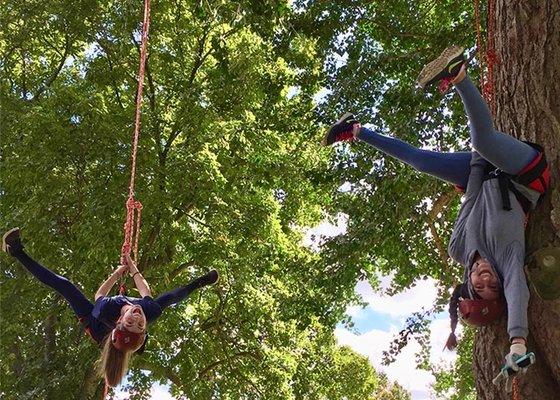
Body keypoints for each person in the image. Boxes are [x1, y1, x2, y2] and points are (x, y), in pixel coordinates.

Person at [322, 45, 550, 376]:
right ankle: (458, 75)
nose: (485, 280)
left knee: (422, 161)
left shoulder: (460, 249)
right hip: (524, 175)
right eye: (491, 288)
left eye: (478, 288)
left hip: (481, 175)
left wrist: (474, 164)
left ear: (468, 282)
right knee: (483, 141)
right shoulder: (508, 257)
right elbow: (518, 291)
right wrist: (517, 343)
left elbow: (470, 200)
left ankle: (355, 130)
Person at [2, 227, 219, 387]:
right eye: (140, 325)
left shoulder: (105, 312)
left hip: (93, 321)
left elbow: (100, 294)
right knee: (170, 299)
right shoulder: (148, 311)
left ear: (119, 322)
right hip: (120, 330)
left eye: (130, 323)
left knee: (64, 285)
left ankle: (16, 251)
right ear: (144, 329)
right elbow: (145, 290)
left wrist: (116, 273)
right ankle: (201, 281)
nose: (136, 317)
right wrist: (131, 267)